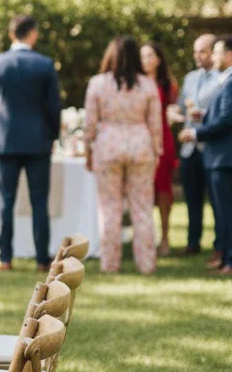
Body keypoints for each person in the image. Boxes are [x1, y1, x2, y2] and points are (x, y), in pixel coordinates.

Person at [0, 15, 62, 271]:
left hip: (6, 141)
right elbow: (54, 107)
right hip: (38, 140)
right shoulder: (45, 64)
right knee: (40, 201)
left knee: (6, 200)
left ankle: (5, 258)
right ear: (33, 33)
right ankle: (42, 259)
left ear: (11, 33)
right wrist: (53, 135)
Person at [84, 37, 162, 274]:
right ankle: (146, 264)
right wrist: (157, 151)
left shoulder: (98, 84)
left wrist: (88, 150)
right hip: (140, 146)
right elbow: (155, 124)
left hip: (108, 146)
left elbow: (90, 124)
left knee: (109, 208)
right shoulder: (148, 85)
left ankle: (110, 264)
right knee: (142, 207)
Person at [179, 36, 232, 275]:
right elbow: (220, 115)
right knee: (223, 210)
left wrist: (195, 133)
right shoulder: (230, 80)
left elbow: (226, 121)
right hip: (219, 155)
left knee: (229, 211)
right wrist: (202, 115)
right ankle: (227, 259)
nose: (214, 57)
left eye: (217, 53)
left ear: (229, 55)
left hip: (225, 156)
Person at [167, 34, 219, 256]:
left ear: (214, 52)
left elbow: (223, 115)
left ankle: (220, 245)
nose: (197, 56)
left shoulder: (222, 79)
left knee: (217, 201)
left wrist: (203, 115)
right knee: (192, 199)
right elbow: (180, 107)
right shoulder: (190, 78)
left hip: (211, 148)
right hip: (189, 150)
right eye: (195, 51)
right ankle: (193, 242)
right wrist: (174, 113)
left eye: (202, 51)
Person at [141, 42, 179, 256]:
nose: (145, 60)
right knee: (143, 190)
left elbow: (173, 109)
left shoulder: (168, 85)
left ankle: (164, 237)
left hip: (163, 140)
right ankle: (145, 238)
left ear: (158, 59)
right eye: (142, 56)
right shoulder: (135, 83)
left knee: (163, 189)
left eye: (149, 55)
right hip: (140, 138)